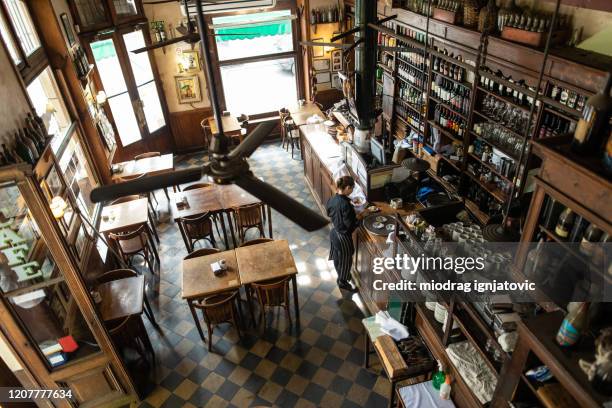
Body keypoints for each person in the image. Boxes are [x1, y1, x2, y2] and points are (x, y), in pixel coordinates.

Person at [326, 176, 369, 292]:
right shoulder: (346, 205)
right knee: (346, 261)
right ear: (347, 188)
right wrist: (360, 216)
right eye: (352, 189)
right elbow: (350, 226)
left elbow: (328, 212)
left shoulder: (332, 199)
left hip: (334, 232)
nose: (352, 191)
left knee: (337, 256)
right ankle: (342, 282)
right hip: (343, 237)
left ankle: (340, 273)